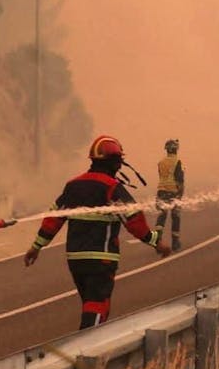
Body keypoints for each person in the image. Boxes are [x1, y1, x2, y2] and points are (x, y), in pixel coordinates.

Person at [24, 135, 171, 329]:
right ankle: (86, 345)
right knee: (97, 306)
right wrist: (155, 242)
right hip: (101, 259)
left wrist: (36, 246)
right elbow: (134, 220)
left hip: (75, 259)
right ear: (115, 163)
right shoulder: (112, 188)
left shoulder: (73, 186)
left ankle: (89, 342)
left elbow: (53, 219)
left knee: (91, 304)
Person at [155, 138, 185, 252]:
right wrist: (180, 194)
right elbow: (180, 180)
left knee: (162, 215)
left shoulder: (161, 163)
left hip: (161, 191)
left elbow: (161, 177)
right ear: (176, 149)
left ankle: (158, 241)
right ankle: (175, 242)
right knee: (175, 216)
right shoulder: (178, 162)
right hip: (173, 191)